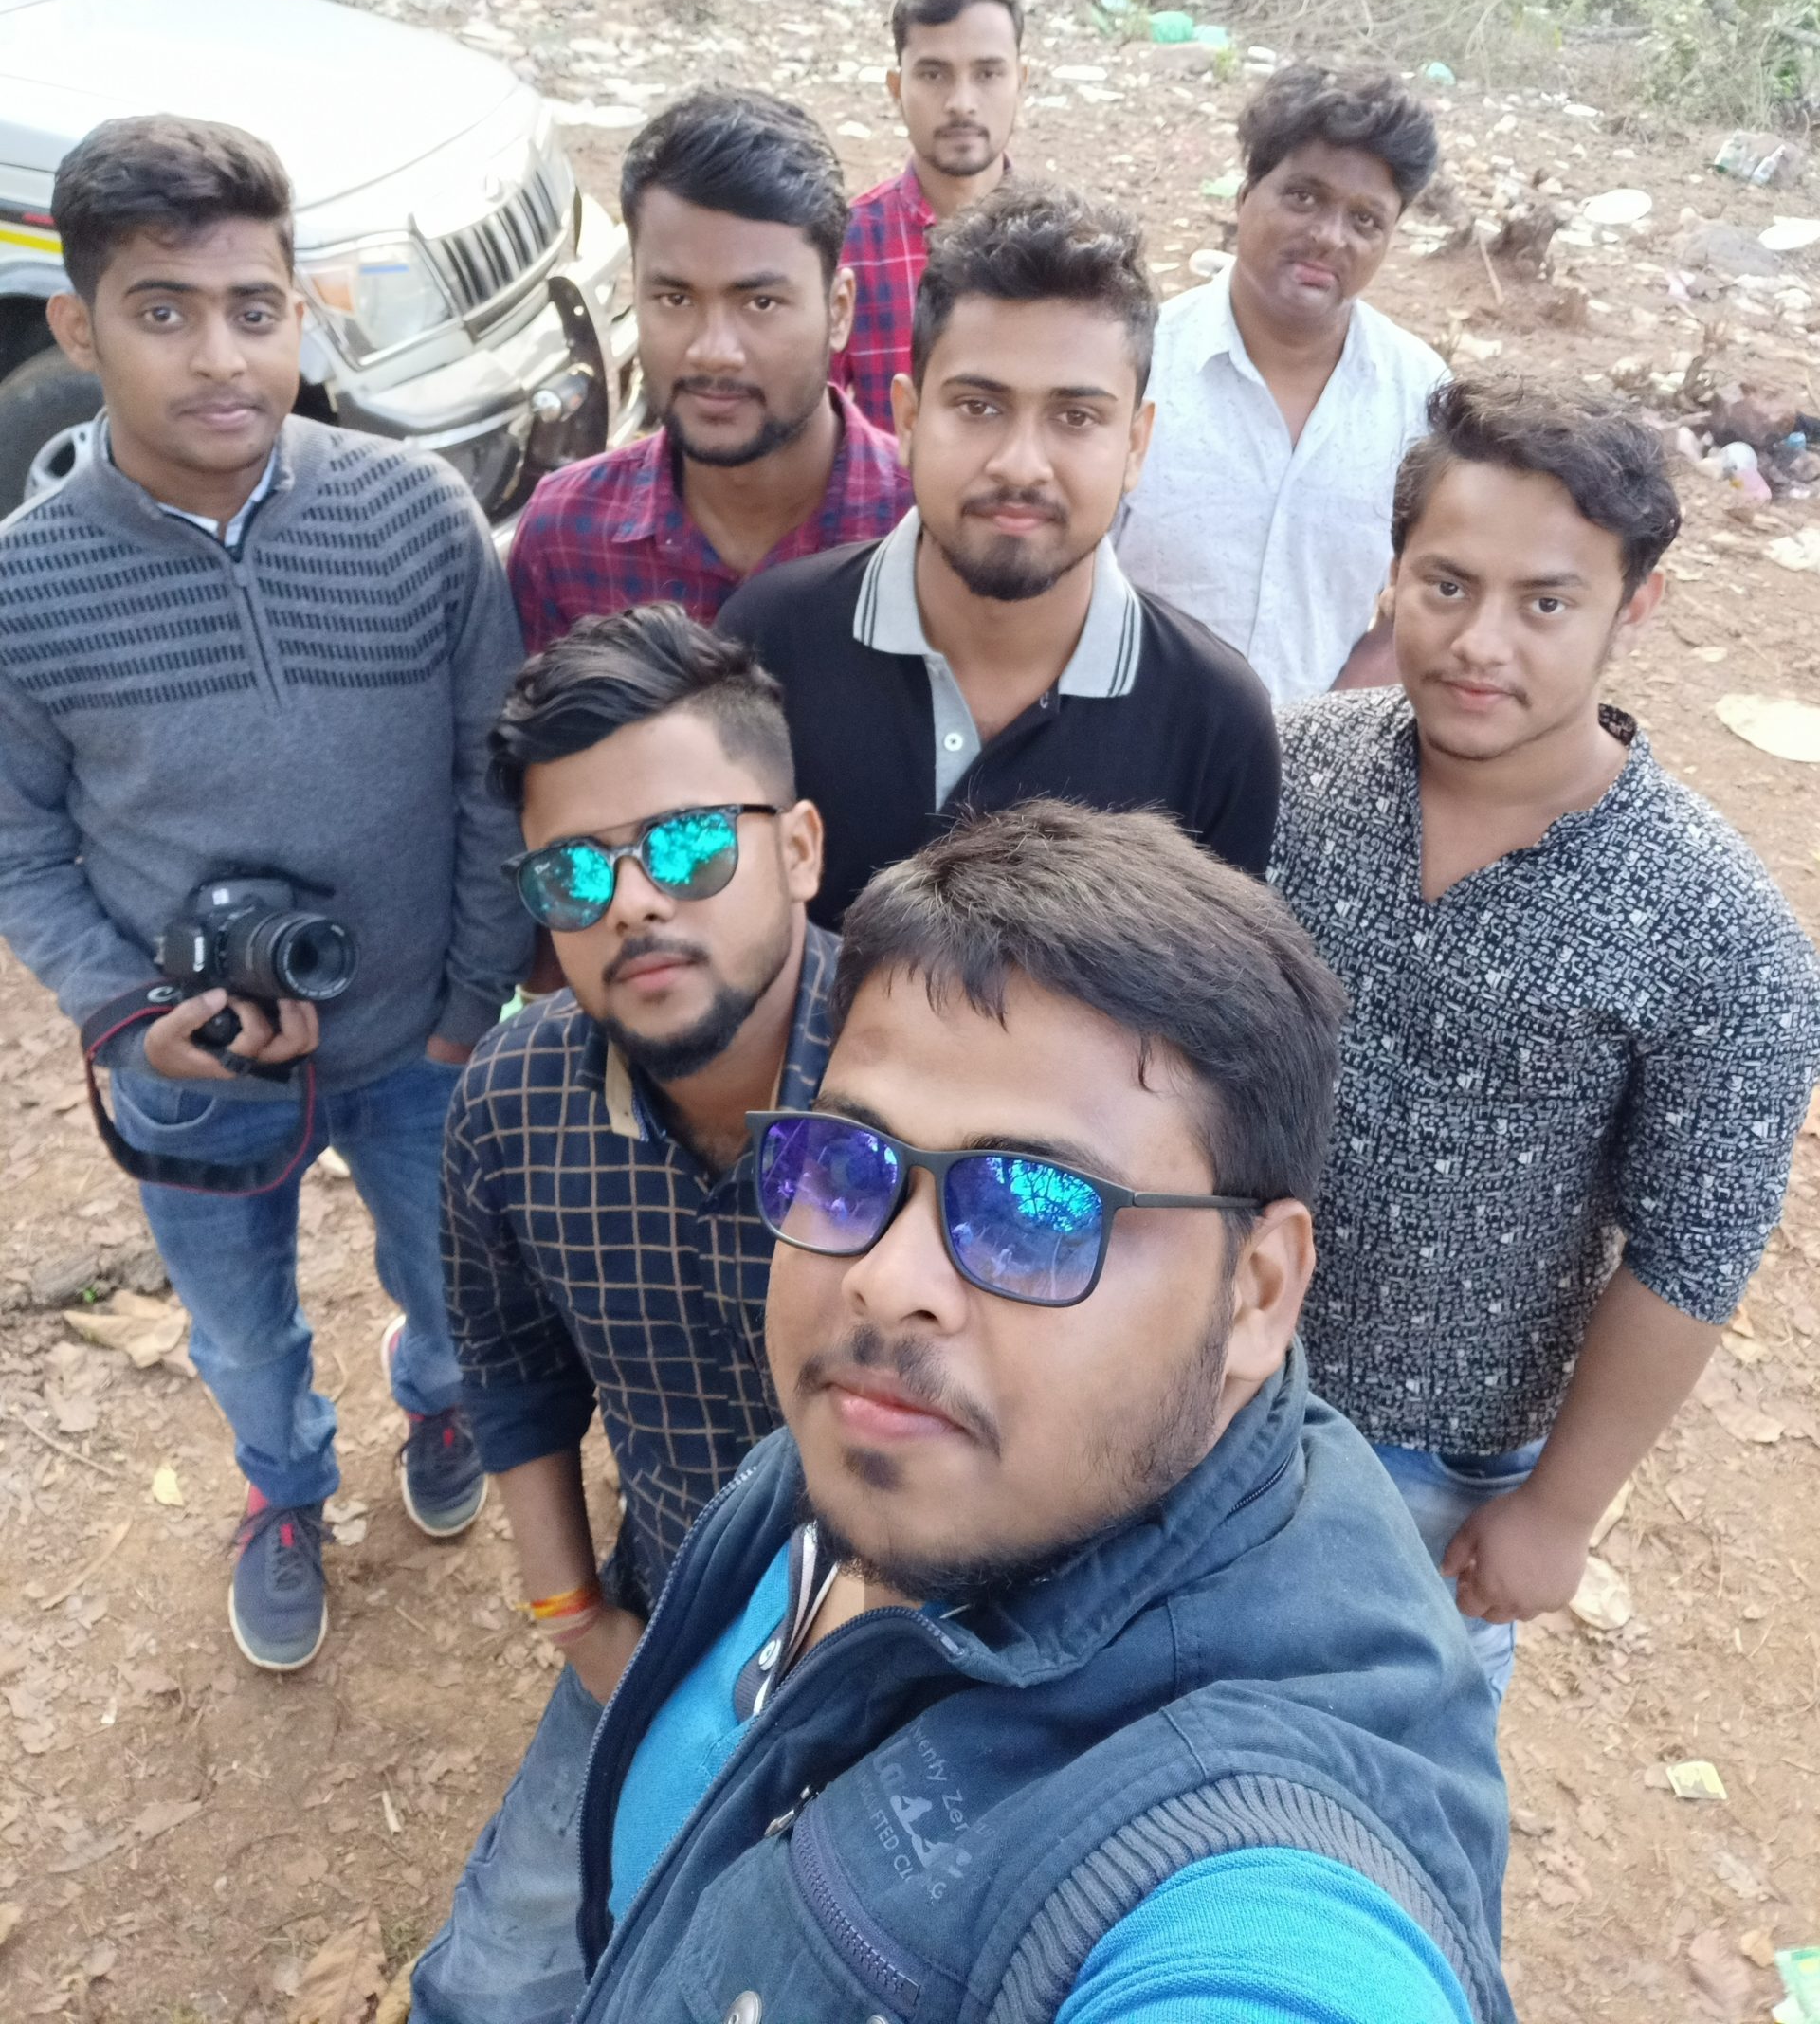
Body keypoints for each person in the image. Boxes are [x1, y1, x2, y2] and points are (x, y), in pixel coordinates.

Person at [550, 800, 1516, 2024]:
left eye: (1036, 1208)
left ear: (1257, 1291)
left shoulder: (1260, 1864)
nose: (887, 1279)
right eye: (846, 1164)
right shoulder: (898, 1440)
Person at [0, 116, 525, 1673]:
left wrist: (467, 1006)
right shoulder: (25, 589)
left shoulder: (419, 519)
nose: (219, 357)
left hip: (422, 1042)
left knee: (456, 1280)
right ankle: (285, 1487)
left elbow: (491, 781)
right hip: (193, 1065)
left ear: (303, 310)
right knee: (235, 1324)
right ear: (77, 327)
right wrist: (126, 1016)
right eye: (162, 311)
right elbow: (19, 847)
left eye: (253, 308)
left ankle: (438, 1402)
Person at [1271, 377, 1820, 1703]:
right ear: (1394, 574)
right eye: (1447, 584)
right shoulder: (1289, 770)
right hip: (1203, 1373)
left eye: (1547, 604)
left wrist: (1561, 1509)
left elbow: (1694, 1251)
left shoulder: (1721, 933)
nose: (1482, 643)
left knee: (1380, 1765)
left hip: (1438, 1471)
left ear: (1637, 607)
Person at [411, 605, 838, 2024]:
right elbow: (513, 1371)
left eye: (689, 844)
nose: (635, 902)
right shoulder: (512, 1108)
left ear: (799, 848)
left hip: (936, 1652)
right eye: (575, 871)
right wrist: (580, 1623)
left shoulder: (950, 1080)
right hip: (666, 1633)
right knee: (491, 1995)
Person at [719, 184, 1279, 927]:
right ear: (909, 420)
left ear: (1136, 445)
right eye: (978, 407)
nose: (1020, 465)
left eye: (1075, 416)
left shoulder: (1215, 725)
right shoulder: (768, 644)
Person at [508, 89, 907, 652]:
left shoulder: (925, 532)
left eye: (760, 303)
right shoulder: (565, 539)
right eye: (675, 299)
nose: (713, 351)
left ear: (839, 311)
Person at [1116, 62, 1447, 704]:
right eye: (1303, 197)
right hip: (1131, 745)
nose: (1328, 237)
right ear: (1245, 198)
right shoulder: (1140, 362)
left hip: (1321, 751)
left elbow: (1435, 591)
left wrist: (1329, 724)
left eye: (1365, 220)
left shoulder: (1419, 396)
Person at [831, 0, 1028, 426]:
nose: (961, 102)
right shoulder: (846, 249)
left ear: (1021, 81)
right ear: (896, 89)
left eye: (988, 73)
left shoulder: (1067, 251)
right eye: (934, 74)